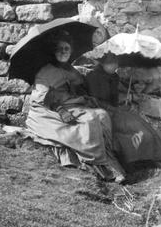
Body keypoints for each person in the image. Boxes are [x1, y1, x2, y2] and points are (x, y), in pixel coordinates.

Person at [25, 33, 127, 183]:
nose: (64, 51)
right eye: (59, 49)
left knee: (103, 115)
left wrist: (86, 95)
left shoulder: (71, 70)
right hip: (52, 109)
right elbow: (42, 98)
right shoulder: (45, 71)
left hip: (74, 105)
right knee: (91, 119)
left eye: (67, 48)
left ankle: (109, 157)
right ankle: (101, 164)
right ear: (53, 51)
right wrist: (60, 110)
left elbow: (80, 88)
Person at [85, 53, 161, 169]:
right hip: (100, 112)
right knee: (129, 132)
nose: (114, 65)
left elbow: (114, 99)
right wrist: (115, 109)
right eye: (110, 62)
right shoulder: (93, 77)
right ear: (103, 62)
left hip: (115, 111)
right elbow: (94, 100)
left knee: (140, 125)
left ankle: (153, 157)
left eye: (116, 61)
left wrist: (123, 103)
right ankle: (134, 160)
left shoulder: (114, 77)